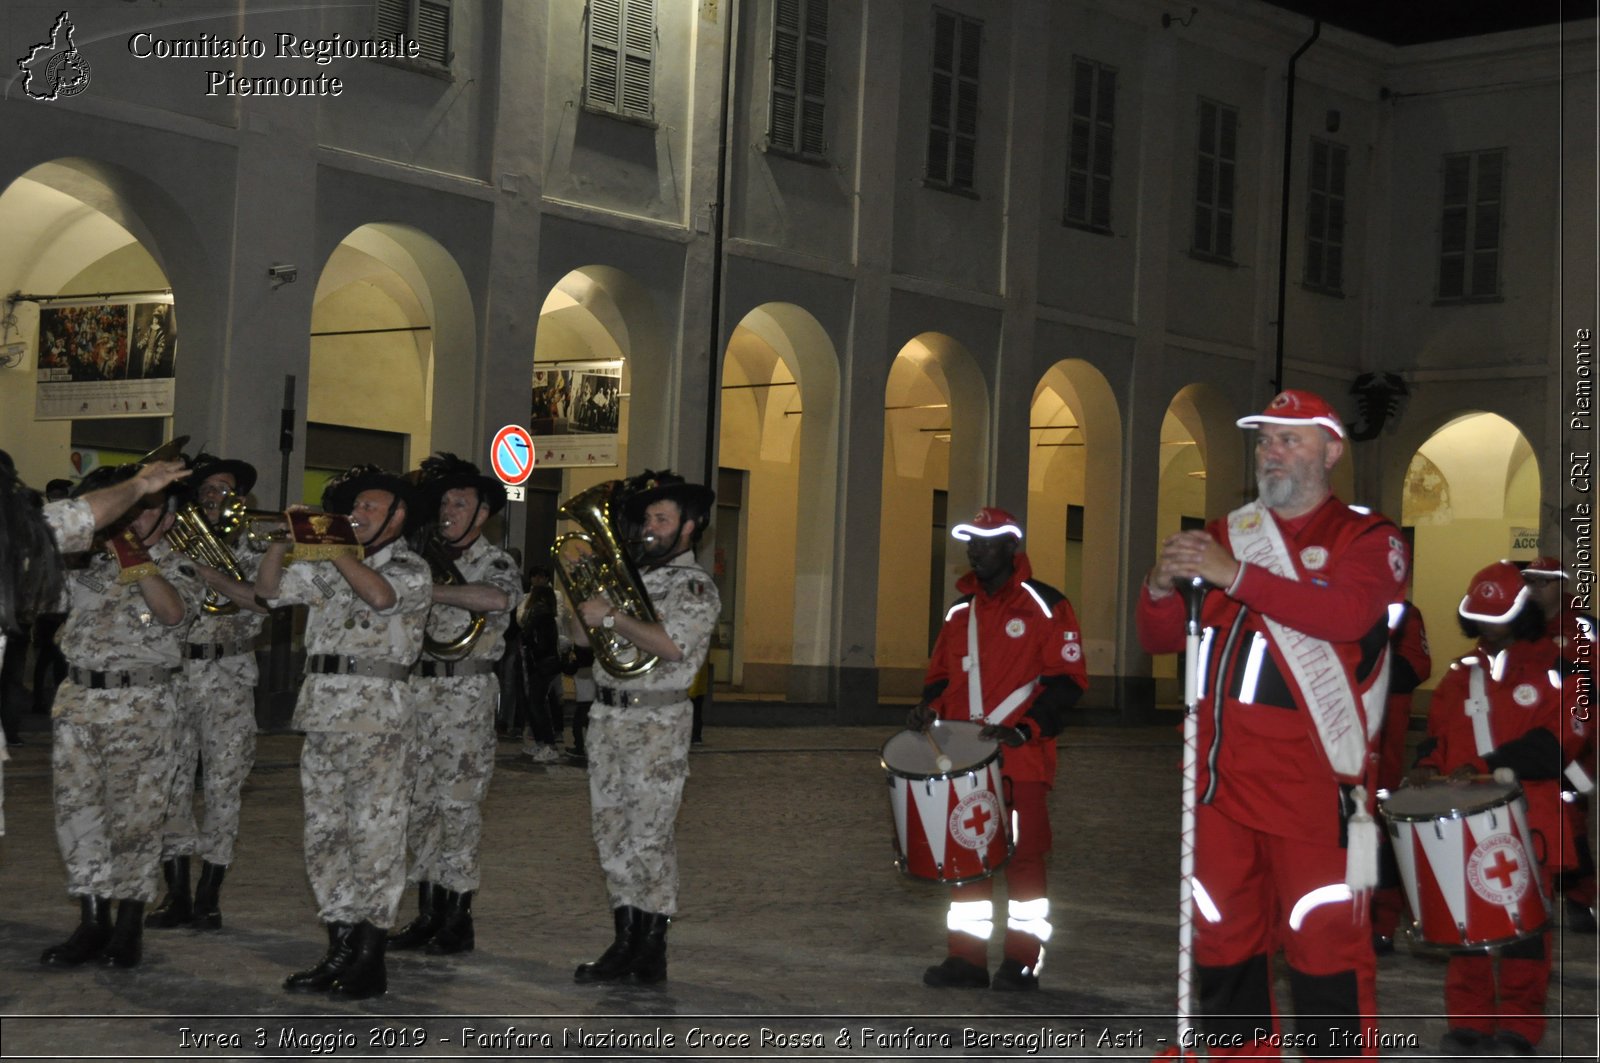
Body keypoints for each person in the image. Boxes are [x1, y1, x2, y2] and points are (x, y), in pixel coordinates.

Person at [1136, 389, 1409, 1059]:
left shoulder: (1369, 538)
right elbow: (1160, 637)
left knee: (1324, 949)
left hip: (1313, 789)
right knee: (1223, 938)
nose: (1272, 452)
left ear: (1332, 450)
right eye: (1266, 440)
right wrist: (1160, 587)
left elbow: (1346, 615)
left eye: (1290, 439)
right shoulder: (1231, 531)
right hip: (1218, 784)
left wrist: (1239, 575)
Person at [248, 465, 430, 999]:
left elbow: (380, 599)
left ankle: (370, 958)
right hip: (323, 714)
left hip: (379, 717)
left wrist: (334, 546)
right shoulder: (329, 564)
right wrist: (283, 544)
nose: (360, 513)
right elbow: (267, 593)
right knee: (325, 837)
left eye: (373, 507)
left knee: (375, 837)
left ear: (398, 518)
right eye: (359, 506)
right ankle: (339, 949)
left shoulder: (411, 566)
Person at [909, 506, 1087, 991]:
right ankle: (966, 959)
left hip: (1022, 759)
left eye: (986, 542)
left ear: (1012, 546)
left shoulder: (1046, 605)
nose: (975, 550)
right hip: (964, 758)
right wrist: (927, 708)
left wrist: (1027, 729)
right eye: (971, 541)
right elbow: (941, 678)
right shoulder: (958, 612)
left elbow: (1067, 682)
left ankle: (1022, 962)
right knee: (968, 858)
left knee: (1025, 861)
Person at [1407, 561, 1576, 1056]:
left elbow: (1561, 742)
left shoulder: (1562, 668)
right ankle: (1469, 1019)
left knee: (1524, 930)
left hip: (1531, 817)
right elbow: (1439, 737)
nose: (1487, 627)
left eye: (1497, 616)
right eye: (1480, 617)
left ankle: (1520, 1024)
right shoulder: (1461, 674)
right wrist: (1425, 764)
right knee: (1467, 925)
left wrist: (1485, 764)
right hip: (1463, 820)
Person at [40, 463, 204, 970]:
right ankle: (92, 921)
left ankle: (129, 925)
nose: (133, 520)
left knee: (136, 820)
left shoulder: (181, 566)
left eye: (147, 510)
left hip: (143, 707)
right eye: (126, 512)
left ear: (168, 519)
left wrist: (133, 554)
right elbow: (40, 598)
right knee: (78, 815)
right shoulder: (83, 566)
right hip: (79, 701)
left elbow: (173, 613)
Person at [566, 471, 719, 985]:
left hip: (657, 722)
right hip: (608, 717)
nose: (650, 527)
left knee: (649, 837)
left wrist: (611, 616)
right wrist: (577, 589)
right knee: (610, 834)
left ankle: (651, 948)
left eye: (662, 518)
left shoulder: (694, 585)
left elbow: (673, 645)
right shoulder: (629, 574)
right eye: (648, 518)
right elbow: (581, 643)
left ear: (689, 527)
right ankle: (623, 940)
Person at [389, 454, 521, 955]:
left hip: (465, 694)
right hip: (418, 691)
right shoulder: (420, 556)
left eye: (458, 503)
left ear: (481, 512)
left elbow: (496, 600)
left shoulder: (496, 561)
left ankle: (458, 916)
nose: (447, 511)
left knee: (458, 806)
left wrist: (430, 590)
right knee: (418, 806)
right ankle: (427, 912)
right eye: (443, 502)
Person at [148, 453, 266, 932]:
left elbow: (263, 598)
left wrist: (207, 572)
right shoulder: (171, 544)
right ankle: (174, 894)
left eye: (224, 490)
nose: (215, 497)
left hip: (230, 676)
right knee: (170, 787)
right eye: (208, 490)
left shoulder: (255, 548)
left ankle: (208, 896)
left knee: (223, 789)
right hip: (175, 675)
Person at [1522, 557, 1597, 933]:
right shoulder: (1522, 627)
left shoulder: (1583, 628)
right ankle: (1545, 895)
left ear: (1559, 585)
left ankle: (1582, 897)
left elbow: (1591, 686)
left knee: (1572, 820)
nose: (1533, 588)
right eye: (1529, 581)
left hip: (1575, 738)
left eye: (1542, 582)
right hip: (1534, 737)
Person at [1370, 599, 1431, 951]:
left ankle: (1383, 925)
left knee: (1383, 840)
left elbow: (1415, 668)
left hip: (1383, 751)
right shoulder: (1323, 599)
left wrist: (1358, 659)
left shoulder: (1405, 612)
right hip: (1334, 747)